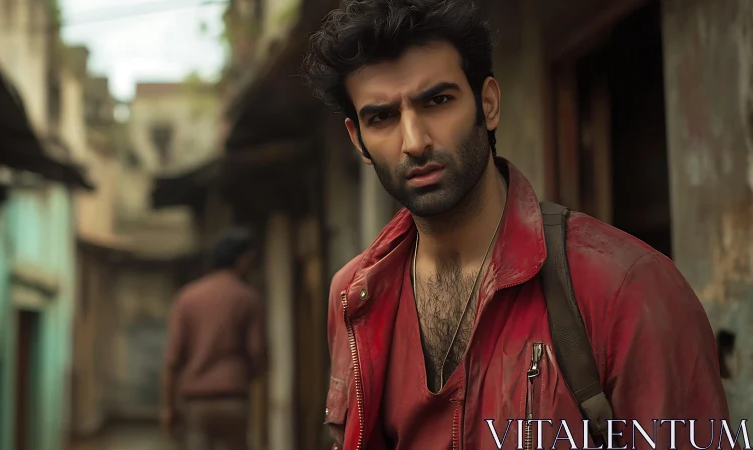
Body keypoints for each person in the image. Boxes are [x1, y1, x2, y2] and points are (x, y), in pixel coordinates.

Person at [302, 1, 731, 449]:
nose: (414, 142)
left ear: (487, 104)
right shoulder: (355, 294)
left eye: (437, 100)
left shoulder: (628, 288)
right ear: (359, 140)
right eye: (382, 117)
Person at [160, 228, 266, 450]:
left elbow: (172, 359)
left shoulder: (187, 297)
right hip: (233, 399)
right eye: (248, 258)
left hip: (196, 402)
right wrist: (247, 376)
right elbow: (257, 353)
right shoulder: (247, 297)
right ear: (239, 259)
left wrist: (168, 407)